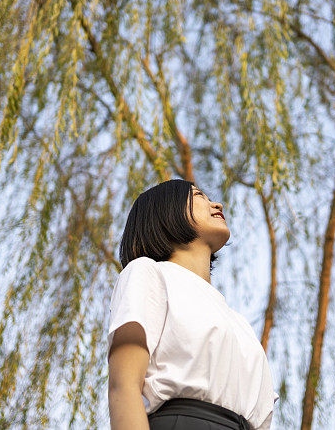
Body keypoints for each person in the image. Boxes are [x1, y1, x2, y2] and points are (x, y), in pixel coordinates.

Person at [107, 179, 279, 430]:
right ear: (165, 211)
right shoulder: (148, 273)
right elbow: (123, 384)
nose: (216, 203)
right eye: (199, 195)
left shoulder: (238, 321)